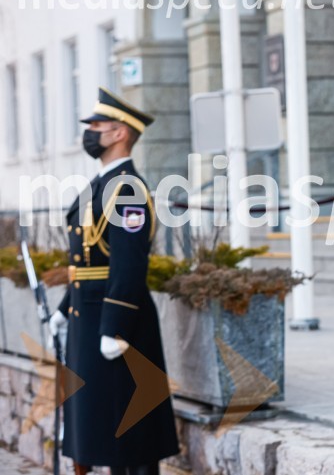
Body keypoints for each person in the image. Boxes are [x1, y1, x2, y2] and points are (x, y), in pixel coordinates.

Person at [49, 88, 179, 475]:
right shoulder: (103, 184)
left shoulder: (127, 190)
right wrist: (63, 309)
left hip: (115, 323)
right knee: (102, 425)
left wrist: (115, 327)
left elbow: (127, 263)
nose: (91, 133)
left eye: (98, 126)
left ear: (121, 133)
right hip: (89, 317)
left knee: (128, 428)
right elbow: (87, 260)